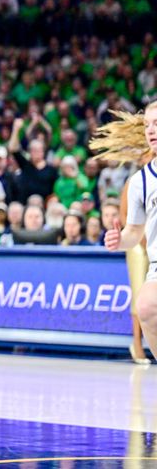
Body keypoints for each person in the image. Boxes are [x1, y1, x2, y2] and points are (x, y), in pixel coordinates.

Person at [90, 109, 153, 365]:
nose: (150, 130)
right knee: (143, 302)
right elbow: (132, 227)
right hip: (142, 247)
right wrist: (121, 239)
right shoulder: (138, 182)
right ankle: (137, 344)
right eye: (148, 125)